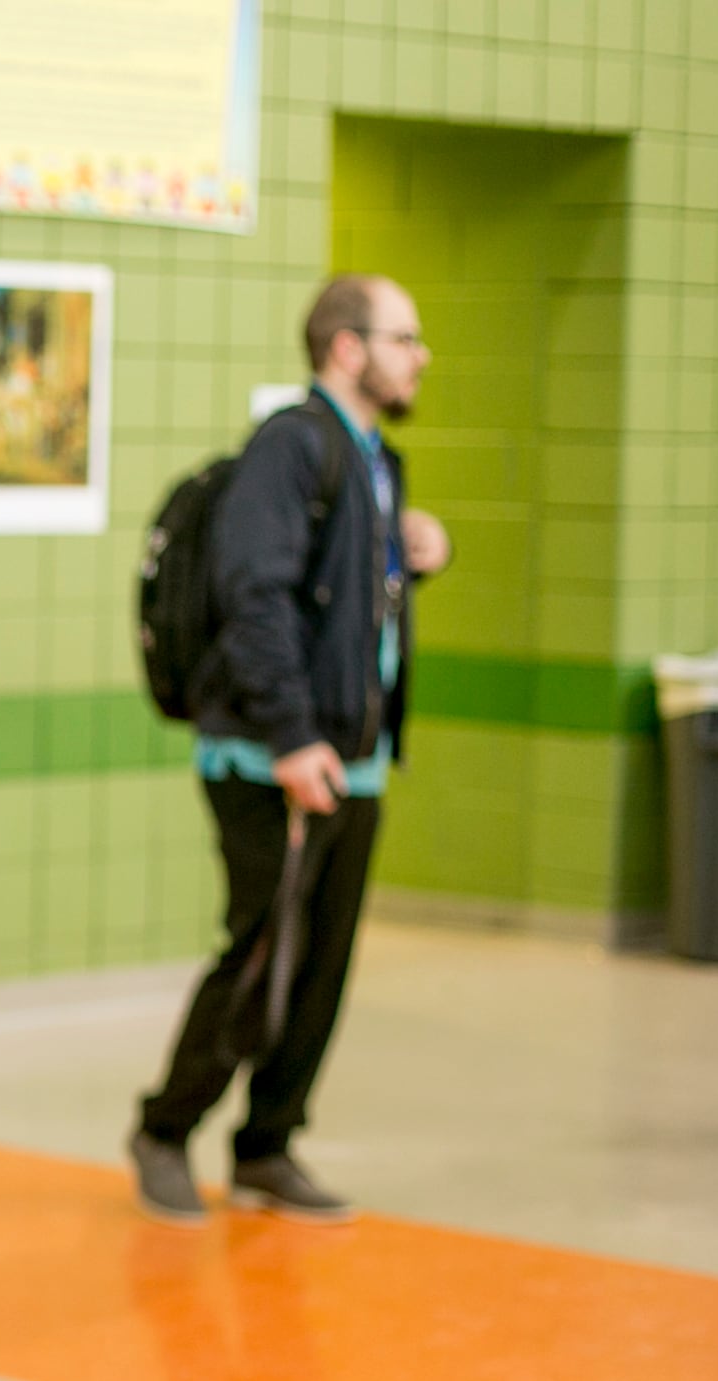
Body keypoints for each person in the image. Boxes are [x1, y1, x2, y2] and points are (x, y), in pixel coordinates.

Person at [130, 274, 450, 1227]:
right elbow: (254, 598)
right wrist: (293, 736)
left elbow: (346, 604)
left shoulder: (374, 459)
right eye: (405, 337)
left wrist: (419, 556)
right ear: (346, 348)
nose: (420, 356)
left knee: (322, 967)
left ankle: (269, 1144)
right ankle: (164, 1130)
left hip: (351, 761)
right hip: (272, 760)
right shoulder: (292, 447)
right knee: (261, 958)